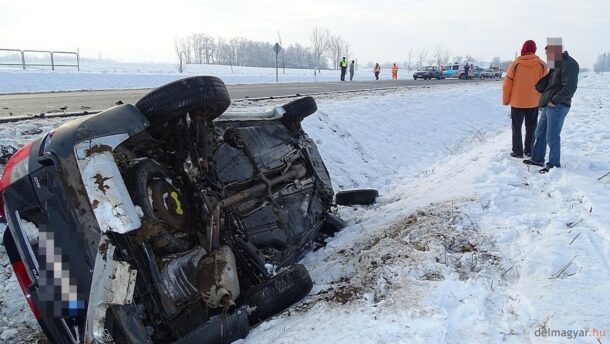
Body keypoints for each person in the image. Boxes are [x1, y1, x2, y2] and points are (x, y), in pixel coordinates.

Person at [523, 38, 579, 174]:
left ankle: (553, 164)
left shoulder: (569, 64)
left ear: (556, 52)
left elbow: (570, 88)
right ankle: (537, 159)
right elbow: (552, 83)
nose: (547, 56)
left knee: (552, 136)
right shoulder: (557, 64)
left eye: (548, 53)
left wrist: (554, 101)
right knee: (539, 133)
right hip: (549, 105)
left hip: (558, 106)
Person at [502, 40, 547, 158]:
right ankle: (529, 150)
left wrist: (506, 100)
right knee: (532, 127)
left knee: (516, 127)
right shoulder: (542, 65)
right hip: (533, 102)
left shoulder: (515, 64)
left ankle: (517, 151)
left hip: (517, 102)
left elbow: (507, 83)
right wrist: (543, 101)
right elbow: (546, 85)